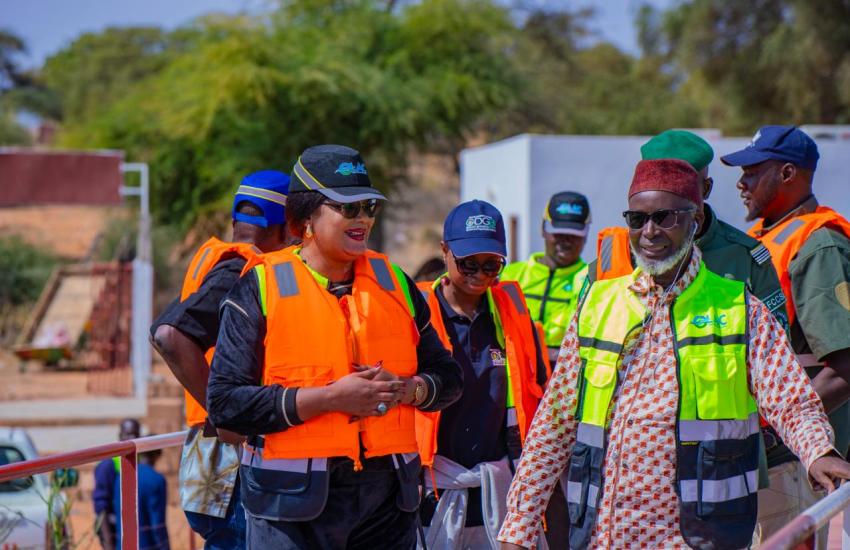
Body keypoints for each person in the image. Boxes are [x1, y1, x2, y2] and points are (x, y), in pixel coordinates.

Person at [497, 158, 850, 550]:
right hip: (602, 535)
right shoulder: (597, 304)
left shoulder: (738, 310)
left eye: (664, 217)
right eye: (637, 218)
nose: (649, 232)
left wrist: (818, 450)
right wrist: (520, 525)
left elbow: (790, 398)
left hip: (699, 536)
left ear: (695, 220)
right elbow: (554, 421)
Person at [206, 144, 463, 549]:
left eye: (369, 207)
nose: (362, 219)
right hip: (288, 508)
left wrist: (407, 389)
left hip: (387, 503)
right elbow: (224, 403)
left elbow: (449, 378)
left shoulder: (395, 283)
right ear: (306, 216)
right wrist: (328, 399)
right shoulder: (259, 288)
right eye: (348, 208)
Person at [721, 125, 850, 548]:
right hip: (765, 451)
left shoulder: (818, 245)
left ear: (788, 173)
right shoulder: (763, 239)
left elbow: (844, 368)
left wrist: (779, 431)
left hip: (794, 457)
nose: (741, 182)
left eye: (753, 171)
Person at [150, 170, 290, 549]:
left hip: (211, 452)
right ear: (283, 229)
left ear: (235, 221)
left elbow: (167, 327)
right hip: (227, 456)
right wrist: (226, 413)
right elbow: (169, 336)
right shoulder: (238, 271)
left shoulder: (221, 263)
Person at [416, 200, 551, 549]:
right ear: (444, 252)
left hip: (500, 491)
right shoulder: (417, 317)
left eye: (491, 265)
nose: (479, 275)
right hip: (431, 493)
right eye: (467, 264)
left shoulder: (514, 319)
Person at [587, 130, 789, 329]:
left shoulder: (743, 257)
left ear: (706, 189)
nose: (650, 231)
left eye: (683, 184)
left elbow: (773, 343)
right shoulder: (615, 254)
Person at [501, 192, 590, 366]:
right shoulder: (511, 276)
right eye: (559, 233)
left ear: (586, 233)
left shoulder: (592, 281)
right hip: (515, 378)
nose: (566, 241)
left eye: (574, 234)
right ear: (543, 229)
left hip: (564, 381)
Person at [93, 419, 170, 550]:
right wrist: (109, 544)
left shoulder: (139, 462)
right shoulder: (108, 467)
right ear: (119, 436)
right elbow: (101, 510)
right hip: (114, 533)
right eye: (127, 434)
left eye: (135, 434)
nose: (131, 438)